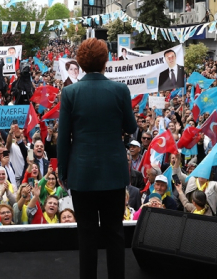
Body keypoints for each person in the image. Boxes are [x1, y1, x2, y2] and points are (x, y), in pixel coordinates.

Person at [57, 38, 137, 279]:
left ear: (80, 64)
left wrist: (63, 173)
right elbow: (131, 126)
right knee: (115, 233)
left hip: (81, 175)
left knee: (87, 236)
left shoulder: (69, 92)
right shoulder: (120, 90)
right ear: (106, 61)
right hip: (113, 173)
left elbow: (63, 138)